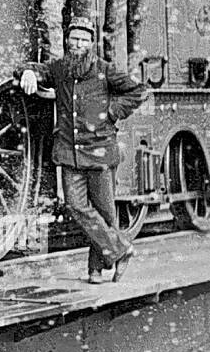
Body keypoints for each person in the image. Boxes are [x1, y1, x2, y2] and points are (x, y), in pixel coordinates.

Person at [18, 17, 147, 283]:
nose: (77, 44)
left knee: (105, 213)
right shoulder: (61, 69)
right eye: (73, 39)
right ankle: (121, 250)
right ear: (67, 41)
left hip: (100, 151)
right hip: (69, 152)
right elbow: (37, 69)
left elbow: (138, 91)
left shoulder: (105, 70)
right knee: (76, 206)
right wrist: (28, 73)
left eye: (83, 39)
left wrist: (112, 113)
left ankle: (95, 269)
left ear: (91, 43)